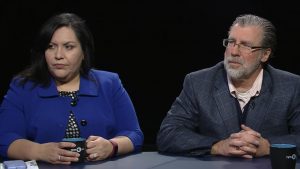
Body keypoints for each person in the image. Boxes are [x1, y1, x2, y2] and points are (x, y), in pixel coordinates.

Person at [0, 13, 143, 164]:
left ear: (83, 53)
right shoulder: (23, 87)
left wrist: (111, 146)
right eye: (51, 47)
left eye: (68, 47)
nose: (58, 55)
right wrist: (39, 151)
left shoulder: (109, 83)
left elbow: (134, 135)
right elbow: (4, 138)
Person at [157, 14, 300, 158]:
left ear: (265, 54)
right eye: (231, 42)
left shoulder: (290, 86)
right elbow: (168, 133)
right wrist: (217, 146)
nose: (234, 52)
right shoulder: (198, 83)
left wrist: (269, 147)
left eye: (246, 45)